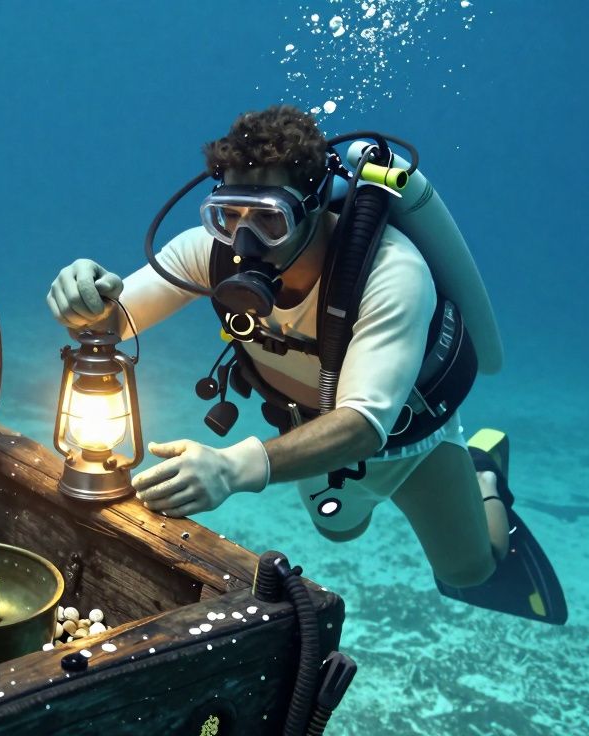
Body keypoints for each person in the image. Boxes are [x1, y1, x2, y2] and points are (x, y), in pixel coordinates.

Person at [46, 105, 515, 594]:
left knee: (468, 572)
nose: (244, 242)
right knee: (341, 528)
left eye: (270, 221)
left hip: (409, 439)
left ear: (312, 207)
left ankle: (485, 475)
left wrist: (232, 468)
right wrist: (81, 293)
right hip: (308, 434)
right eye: (227, 216)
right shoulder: (208, 252)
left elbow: (362, 426)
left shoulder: (392, 272)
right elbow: (112, 322)